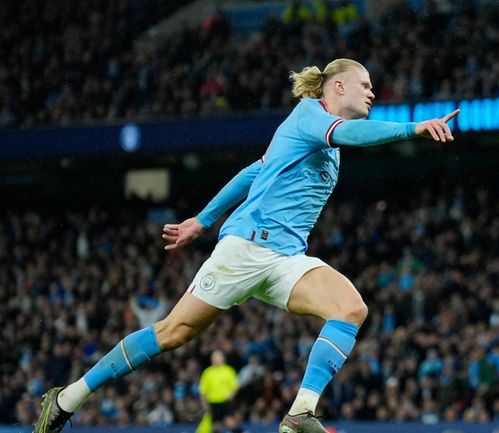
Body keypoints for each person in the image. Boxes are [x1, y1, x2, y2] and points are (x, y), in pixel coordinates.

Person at [33, 57, 459, 433]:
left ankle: (299, 415)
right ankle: (67, 398)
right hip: (247, 250)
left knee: (351, 308)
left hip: (285, 258)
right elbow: (354, 134)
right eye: (365, 85)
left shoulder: (319, 140)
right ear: (339, 86)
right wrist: (412, 127)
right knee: (172, 333)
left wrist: (201, 220)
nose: (372, 92)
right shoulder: (311, 116)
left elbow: (253, 172)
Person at [199, 350, 239, 433]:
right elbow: (203, 390)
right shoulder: (207, 372)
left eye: (218, 357)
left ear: (223, 358)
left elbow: (235, 386)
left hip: (225, 402)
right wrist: (204, 404)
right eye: (214, 357)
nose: (216, 359)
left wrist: (231, 396)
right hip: (213, 402)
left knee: (231, 424)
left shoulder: (229, 370)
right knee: (215, 427)